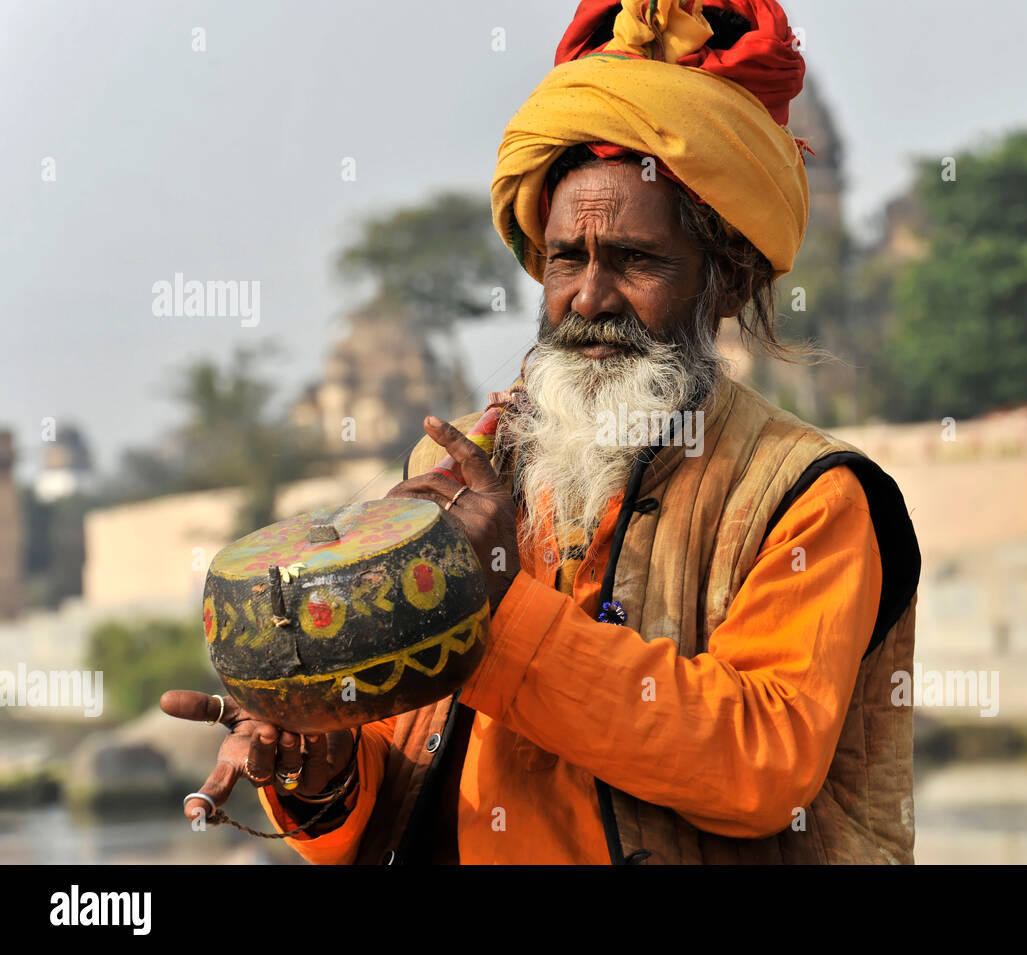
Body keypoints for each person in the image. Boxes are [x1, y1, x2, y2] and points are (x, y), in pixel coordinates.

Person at [163, 0, 920, 865]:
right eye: (568, 259)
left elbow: (756, 766)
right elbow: (401, 779)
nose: (589, 299)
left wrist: (487, 599)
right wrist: (321, 761)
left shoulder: (806, 497)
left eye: (634, 261)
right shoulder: (459, 467)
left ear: (727, 279)